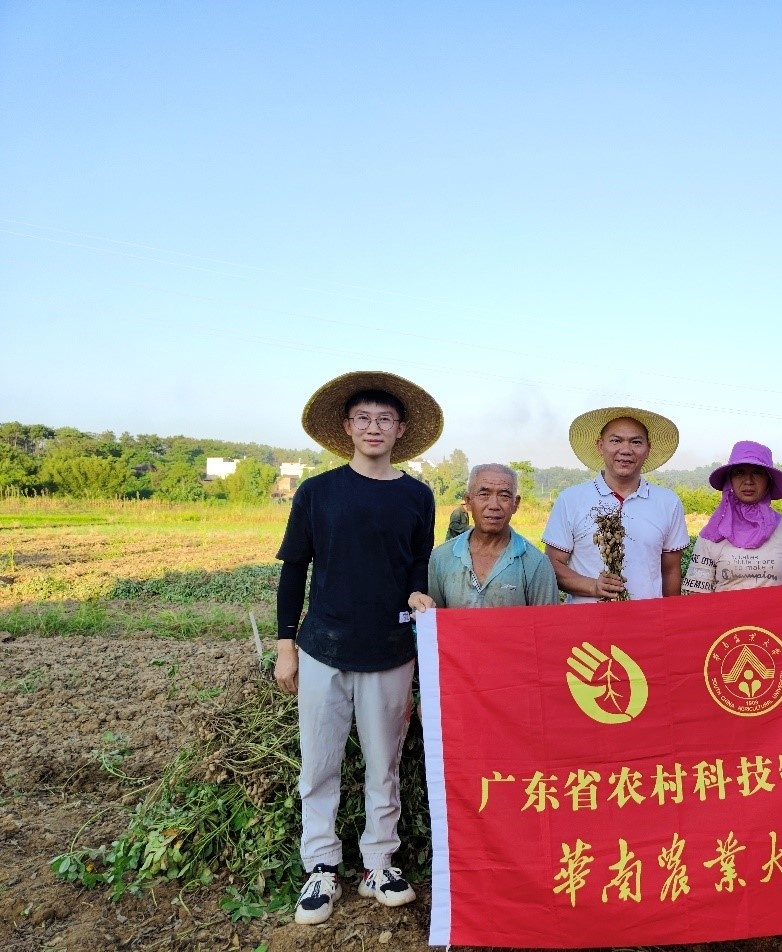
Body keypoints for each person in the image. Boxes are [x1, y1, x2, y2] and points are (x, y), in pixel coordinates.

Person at [274, 370, 442, 926]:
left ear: (401, 430)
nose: (374, 427)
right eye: (363, 418)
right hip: (323, 646)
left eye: (384, 419)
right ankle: (320, 866)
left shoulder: (418, 496)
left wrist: (420, 593)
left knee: (383, 762)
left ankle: (379, 861)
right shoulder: (317, 492)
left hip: (392, 650)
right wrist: (286, 647)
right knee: (319, 763)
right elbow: (294, 570)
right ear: (346, 427)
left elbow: (418, 563)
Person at [543, 405, 689, 602]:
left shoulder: (668, 502)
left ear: (648, 449)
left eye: (636, 442)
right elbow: (553, 564)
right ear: (600, 446)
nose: (626, 450)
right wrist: (593, 587)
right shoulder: (570, 500)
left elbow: (671, 570)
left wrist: (672, 618)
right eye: (616, 441)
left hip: (647, 622)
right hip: (586, 626)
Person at [418, 463, 559, 609]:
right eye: (484, 494)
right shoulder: (441, 558)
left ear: (515, 504)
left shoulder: (536, 564)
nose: (494, 505)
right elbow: (436, 622)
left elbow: (547, 627)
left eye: (504, 496)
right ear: (468, 501)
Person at [682, 440, 782, 593]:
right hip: (726, 617)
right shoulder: (711, 535)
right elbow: (696, 595)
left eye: (757, 472)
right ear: (730, 480)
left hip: (779, 617)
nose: (748, 481)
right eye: (739, 472)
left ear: (768, 481)